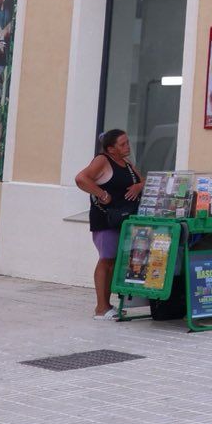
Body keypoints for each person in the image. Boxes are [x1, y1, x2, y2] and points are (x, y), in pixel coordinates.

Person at [74, 129, 142, 317]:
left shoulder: (126, 164)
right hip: (106, 219)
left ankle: (107, 306)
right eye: (122, 144)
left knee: (114, 261)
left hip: (125, 220)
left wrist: (138, 186)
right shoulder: (102, 160)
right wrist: (101, 194)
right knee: (106, 260)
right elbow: (81, 178)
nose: (127, 146)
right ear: (111, 149)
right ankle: (101, 307)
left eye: (127, 142)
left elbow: (143, 180)